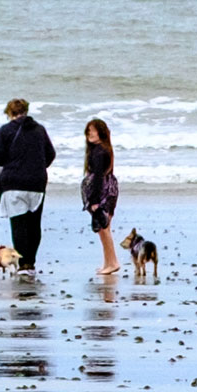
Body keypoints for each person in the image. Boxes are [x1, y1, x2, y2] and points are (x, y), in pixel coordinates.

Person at [0, 98, 57, 271]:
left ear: (9, 113)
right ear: (26, 111)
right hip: (37, 182)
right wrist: (36, 166)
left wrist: (12, 163)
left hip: (14, 183)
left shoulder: (5, 130)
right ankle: (30, 261)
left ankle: (22, 263)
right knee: (34, 224)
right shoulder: (40, 130)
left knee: (19, 224)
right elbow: (50, 154)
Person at [81, 116, 121, 274]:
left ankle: (113, 262)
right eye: (88, 131)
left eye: (93, 131)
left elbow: (98, 176)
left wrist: (94, 200)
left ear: (101, 132)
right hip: (110, 189)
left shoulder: (99, 152)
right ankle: (108, 262)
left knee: (103, 228)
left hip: (103, 191)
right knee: (105, 227)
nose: (89, 134)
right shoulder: (104, 149)